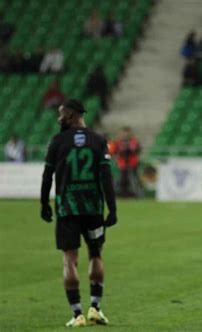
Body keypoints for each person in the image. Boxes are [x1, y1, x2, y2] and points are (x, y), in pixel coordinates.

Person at [40, 99, 117, 327]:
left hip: (67, 209)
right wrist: (112, 209)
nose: (58, 118)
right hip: (93, 209)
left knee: (69, 260)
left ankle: (77, 314)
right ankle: (95, 307)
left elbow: (47, 176)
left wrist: (44, 203)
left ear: (71, 115)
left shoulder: (57, 141)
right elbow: (106, 177)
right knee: (96, 254)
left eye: (61, 114)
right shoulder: (99, 140)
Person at [112, 127, 141, 197]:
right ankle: (122, 194)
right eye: (124, 132)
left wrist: (126, 148)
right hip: (122, 164)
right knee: (122, 180)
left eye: (126, 132)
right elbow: (114, 151)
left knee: (133, 179)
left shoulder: (133, 141)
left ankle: (136, 194)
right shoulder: (118, 142)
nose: (125, 134)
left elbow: (134, 150)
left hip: (132, 164)